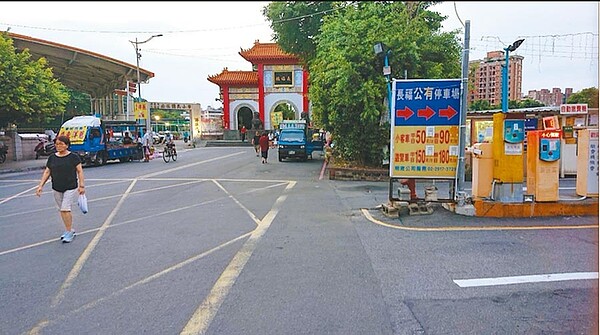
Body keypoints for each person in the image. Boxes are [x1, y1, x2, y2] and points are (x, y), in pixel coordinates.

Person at [35, 135, 85, 243]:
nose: (58, 146)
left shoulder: (74, 157)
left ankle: (69, 232)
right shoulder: (52, 157)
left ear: (67, 145)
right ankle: (69, 229)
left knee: (65, 208)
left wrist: (81, 186)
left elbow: (80, 171)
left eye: (61, 144)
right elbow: (47, 172)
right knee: (62, 210)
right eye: (57, 144)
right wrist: (40, 186)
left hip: (70, 186)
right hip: (57, 187)